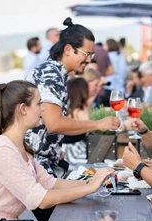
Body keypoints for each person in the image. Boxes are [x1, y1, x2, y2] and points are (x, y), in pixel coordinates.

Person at [0, 80, 114, 221]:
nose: (43, 108)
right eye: (39, 103)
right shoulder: (3, 150)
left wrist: (96, 182)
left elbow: (50, 182)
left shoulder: (20, 147)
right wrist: (90, 187)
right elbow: (40, 200)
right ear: (23, 109)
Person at [25, 17, 120, 178]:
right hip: (34, 165)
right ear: (68, 49)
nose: (89, 60)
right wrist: (98, 124)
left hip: (42, 160)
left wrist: (54, 148)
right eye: (87, 54)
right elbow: (54, 123)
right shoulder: (50, 75)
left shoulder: (56, 73)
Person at [61, 77, 90, 168]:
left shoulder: (67, 111)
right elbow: (95, 127)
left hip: (65, 151)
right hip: (75, 154)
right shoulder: (79, 113)